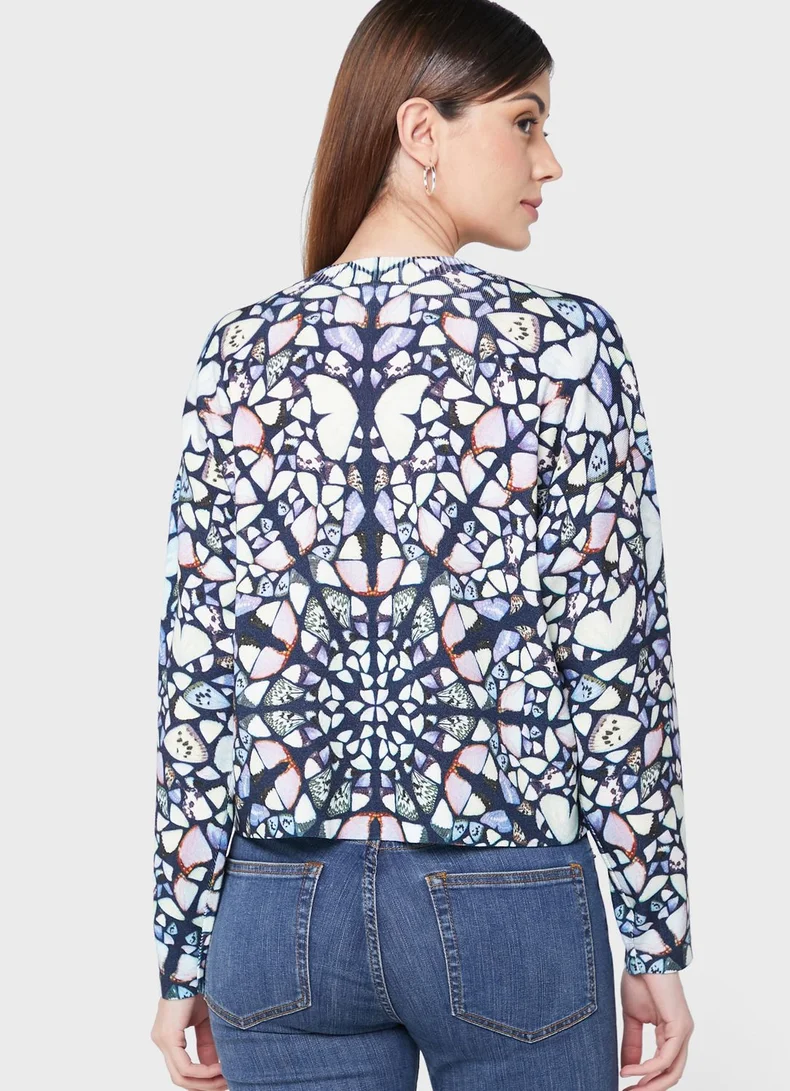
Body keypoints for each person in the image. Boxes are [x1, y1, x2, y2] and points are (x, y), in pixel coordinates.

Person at [149, 2, 695, 1088]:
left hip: (274, 907)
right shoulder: (563, 346)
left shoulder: (237, 352)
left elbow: (198, 673)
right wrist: (652, 930)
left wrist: (181, 948)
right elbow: (615, 659)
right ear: (420, 129)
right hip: (505, 893)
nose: (550, 160)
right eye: (525, 121)